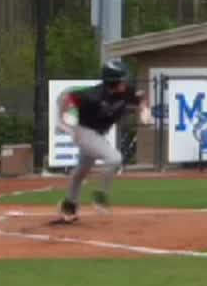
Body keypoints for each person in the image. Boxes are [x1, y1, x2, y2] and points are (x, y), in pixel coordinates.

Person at [54, 59, 147, 224]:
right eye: (122, 79)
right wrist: (61, 120)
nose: (125, 83)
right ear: (112, 81)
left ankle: (69, 205)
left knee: (80, 173)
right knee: (114, 158)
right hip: (84, 132)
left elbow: (140, 99)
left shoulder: (125, 92)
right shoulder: (93, 95)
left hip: (97, 135)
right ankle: (100, 196)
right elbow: (66, 97)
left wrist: (144, 110)